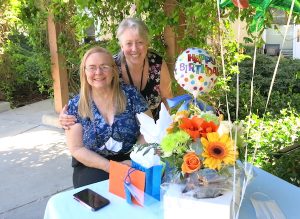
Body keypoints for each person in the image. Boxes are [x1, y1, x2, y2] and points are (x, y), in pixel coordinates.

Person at [59, 17, 173, 129]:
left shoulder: (157, 63)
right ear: (121, 45)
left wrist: (165, 126)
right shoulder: (110, 66)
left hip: (155, 127)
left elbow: (167, 98)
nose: (134, 49)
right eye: (129, 43)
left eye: (139, 42)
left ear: (147, 43)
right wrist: (68, 114)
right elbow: (90, 93)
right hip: (123, 132)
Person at [65, 46, 150, 188]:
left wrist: (136, 158)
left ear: (113, 70)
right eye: (92, 67)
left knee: (143, 192)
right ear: (84, 72)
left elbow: (149, 130)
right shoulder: (76, 105)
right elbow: (77, 148)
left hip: (131, 158)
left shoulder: (131, 95)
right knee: (101, 195)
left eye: (104, 67)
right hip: (92, 165)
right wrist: (110, 167)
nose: (98, 72)